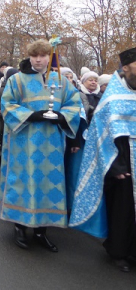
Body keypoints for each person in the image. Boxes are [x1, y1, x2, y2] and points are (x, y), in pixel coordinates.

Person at [0, 39, 80, 252]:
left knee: (48, 185)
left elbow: (75, 105)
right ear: (29, 56)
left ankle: (41, 231)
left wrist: (62, 117)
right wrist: (32, 115)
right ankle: (19, 227)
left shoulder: (61, 80)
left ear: (49, 57)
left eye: (42, 55)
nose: (38, 59)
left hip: (51, 145)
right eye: (34, 55)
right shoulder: (16, 80)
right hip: (23, 143)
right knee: (23, 183)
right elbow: (6, 105)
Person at [70, 47, 136, 272]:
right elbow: (99, 131)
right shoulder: (112, 97)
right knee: (122, 208)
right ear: (126, 68)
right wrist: (115, 165)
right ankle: (119, 252)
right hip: (122, 160)